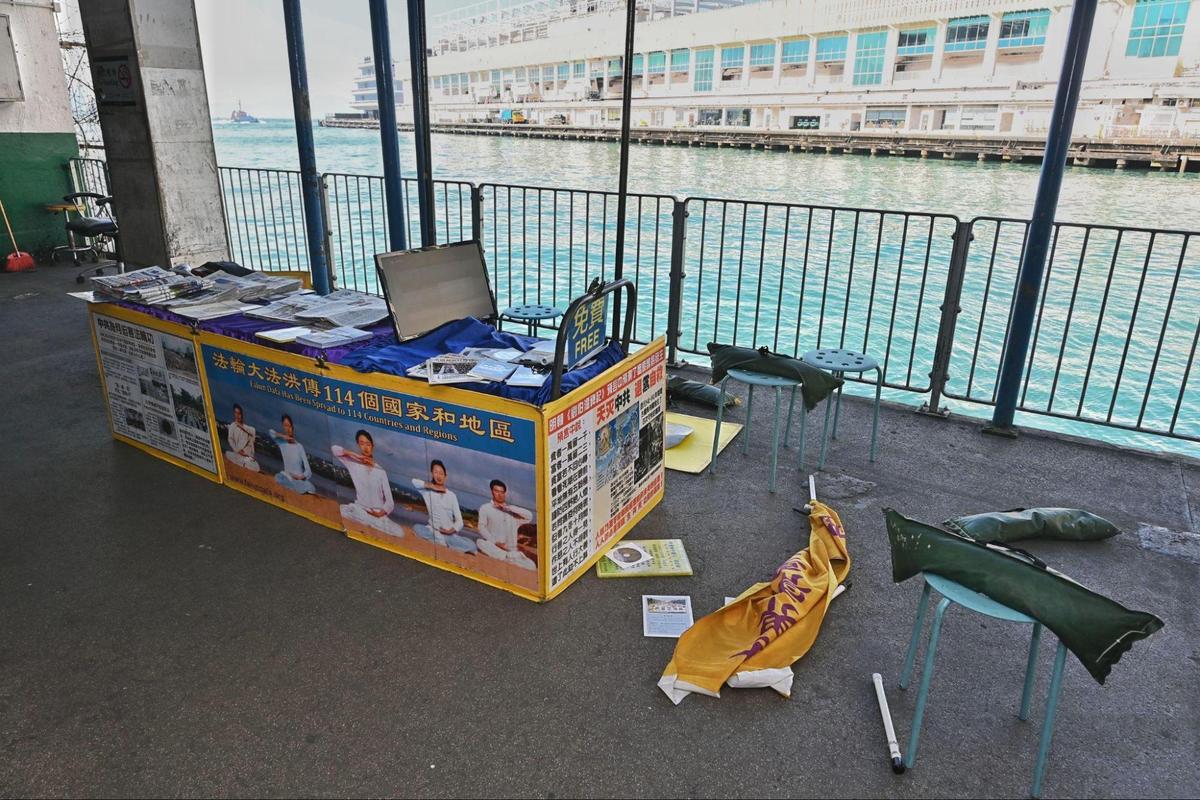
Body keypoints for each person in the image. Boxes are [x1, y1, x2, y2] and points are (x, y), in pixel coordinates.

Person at [332, 430, 406, 537]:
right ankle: (365, 522)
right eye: (361, 444)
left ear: (372, 446)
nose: (365, 448)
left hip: (377, 514)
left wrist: (379, 513)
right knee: (341, 510)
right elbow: (334, 449)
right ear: (358, 445)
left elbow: (390, 502)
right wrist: (353, 454)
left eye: (368, 444)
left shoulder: (381, 471)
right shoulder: (353, 463)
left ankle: (369, 522)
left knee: (400, 533)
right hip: (359, 509)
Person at [411, 460, 473, 553]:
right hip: (432, 531)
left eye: (441, 473)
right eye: (435, 472)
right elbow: (414, 481)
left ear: (445, 476)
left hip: (449, 534)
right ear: (432, 473)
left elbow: (459, 521)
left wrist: (450, 531)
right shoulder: (427, 491)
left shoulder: (452, 495)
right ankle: (446, 544)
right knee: (417, 528)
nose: (438, 476)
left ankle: (444, 542)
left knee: (472, 546)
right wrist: (432, 486)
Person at [476, 479, 535, 570]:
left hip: (511, 550)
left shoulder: (512, 513)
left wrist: (508, 508)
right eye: (496, 491)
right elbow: (481, 527)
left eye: (502, 492)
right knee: (480, 542)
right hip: (493, 545)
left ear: (505, 493)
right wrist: (495, 542)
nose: (499, 494)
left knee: (532, 566)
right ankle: (507, 557)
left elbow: (529, 516)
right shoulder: (485, 508)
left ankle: (507, 557)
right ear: (492, 491)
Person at [269, 414, 315, 495]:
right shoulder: (281, 443)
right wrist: (284, 436)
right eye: (285, 426)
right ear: (283, 427)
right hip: (287, 476)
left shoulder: (299, 446)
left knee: (311, 488)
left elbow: (308, 471)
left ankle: (295, 486)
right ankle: (293, 487)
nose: (288, 429)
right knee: (278, 477)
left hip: (299, 479)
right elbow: (271, 432)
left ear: (292, 427)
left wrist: (299, 477)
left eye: (289, 426)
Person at [224, 404, 259, 471]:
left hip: (247, 455)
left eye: (239, 413)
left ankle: (246, 462)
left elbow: (253, 431)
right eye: (235, 413)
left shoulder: (248, 428)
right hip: (238, 453)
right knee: (228, 454)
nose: (237, 415)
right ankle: (243, 462)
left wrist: (240, 426)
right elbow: (230, 439)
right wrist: (238, 451)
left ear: (242, 415)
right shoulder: (232, 426)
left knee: (256, 468)